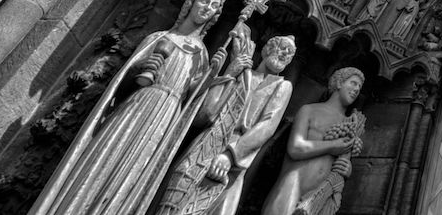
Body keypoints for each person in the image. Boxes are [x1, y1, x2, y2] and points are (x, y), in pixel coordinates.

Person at [30, 0, 229, 215]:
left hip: (165, 119)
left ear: (215, 16)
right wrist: (141, 68)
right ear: (191, 3)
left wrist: (211, 75)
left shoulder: (202, 56)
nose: (207, 8)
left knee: (133, 173)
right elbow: (120, 85)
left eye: (214, 6)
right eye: (204, 0)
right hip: (137, 106)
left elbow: (193, 104)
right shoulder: (157, 38)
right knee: (106, 158)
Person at [157, 33, 297, 215]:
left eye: (290, 53)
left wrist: (231, 155)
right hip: (206, 144)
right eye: (282, 47)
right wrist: (230, 72)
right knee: (172, 201)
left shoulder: (282, 86)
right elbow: (204, 115)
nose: (285, 54)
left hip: (235, 159)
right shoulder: (241, 74)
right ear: (267, 49)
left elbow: (267, 126)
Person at [261, 68, 366, 215]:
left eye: (359, 87)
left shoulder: (350, 123)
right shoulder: (309, 110)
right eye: (353, 83)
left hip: (318, 198)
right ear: (339, 83)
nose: (356, 89)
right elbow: (295, 148)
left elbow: (341, 162)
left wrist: (346, 169)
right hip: (292, 186)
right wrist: (332, 146)